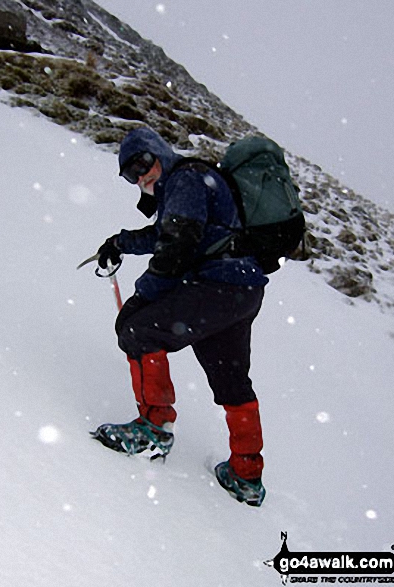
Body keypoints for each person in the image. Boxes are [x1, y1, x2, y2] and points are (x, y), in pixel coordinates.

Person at [91, 127, 269, 506]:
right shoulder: (185, 185)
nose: (141, 176)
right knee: (231, 380)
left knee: (136, 328)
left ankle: (153, 428)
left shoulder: (185, 179)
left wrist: (144, 292)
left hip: (217, 287)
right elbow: (165, 234)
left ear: (159, 152)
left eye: (142, 163)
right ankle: (246, 475)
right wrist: (120, 242)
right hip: (242, 290)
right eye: (131, 174)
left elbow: (176, 244)